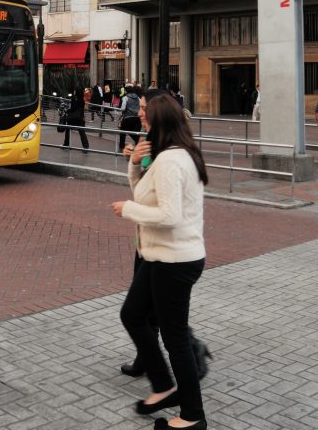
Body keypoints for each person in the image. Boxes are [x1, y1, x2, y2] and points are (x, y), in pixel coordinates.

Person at [112, 94, 210, 430]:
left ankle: (192, 416)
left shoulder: (172, 160)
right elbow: (144, 193)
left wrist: (127, 210)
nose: (140, 118)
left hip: (174, 259)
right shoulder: (170, 155)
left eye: (145, 115)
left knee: (175, 339)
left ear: (160, 123)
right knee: (132, 314)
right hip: (159, 255)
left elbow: (168, 215)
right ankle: (165, 386)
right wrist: (134, 164)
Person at [62, 87, 90, 152]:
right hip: (80, 118)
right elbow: (82, 109)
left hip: (73, 118)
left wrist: (67, 111)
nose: (74, 92)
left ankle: (66, 144)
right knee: (82, 132)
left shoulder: (74, 98)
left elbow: (73, 108)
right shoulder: (82, 99)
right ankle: (86, 147)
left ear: (76, 91)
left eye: (75, 91)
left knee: (68, 129)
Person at [118, 84, 144, 153]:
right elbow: (141, 105)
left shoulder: (125, 98)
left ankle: (121, 146)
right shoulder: (138, 97)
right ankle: (138, 144)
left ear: (127, 91)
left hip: (128, 118)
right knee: (136, 132)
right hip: (137, 118)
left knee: (123, 132)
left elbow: (123, 108)